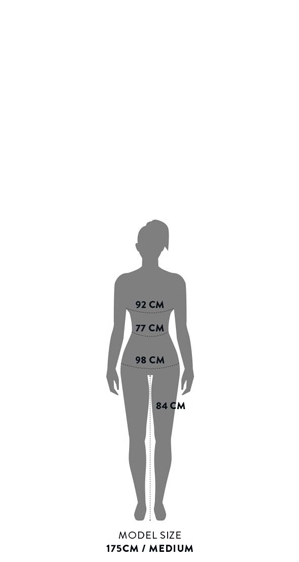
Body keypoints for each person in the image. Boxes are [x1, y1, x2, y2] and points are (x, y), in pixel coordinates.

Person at [106, 220, 195, 521]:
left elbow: (181, 328)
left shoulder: (172, 283)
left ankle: (155, 503)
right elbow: (118, 328)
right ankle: (144, 503)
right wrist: (109, 365)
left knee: (155, 439)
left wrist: (190, 366)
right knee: (144, 439)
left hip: (159, 364)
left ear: (139, 247)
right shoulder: (128, 283)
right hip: (141, 364)